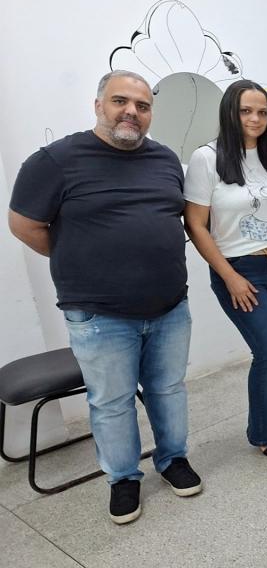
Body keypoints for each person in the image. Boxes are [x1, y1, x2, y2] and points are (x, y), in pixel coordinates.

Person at [8, 70, 202, 524]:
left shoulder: (165, 159)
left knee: (168, 389)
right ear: (99, 105)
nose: (131, 112)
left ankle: (172, 459)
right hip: (99, 315)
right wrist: (81, 258)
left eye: (142, 105)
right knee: (111, 401)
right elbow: (24, 225)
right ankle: (123, 479)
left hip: (170, 306)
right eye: (120, 101)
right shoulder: (55, 161)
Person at [183, 80, 267, 457]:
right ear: (230, 112)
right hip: (240, 270)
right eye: (246, 111)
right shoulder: (207, 158)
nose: (255, 119)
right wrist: (230, 277)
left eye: (262, 112)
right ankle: (263, 433)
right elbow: (195, 224)